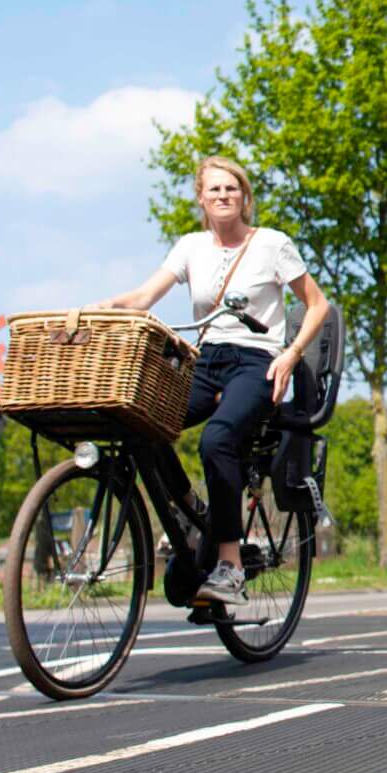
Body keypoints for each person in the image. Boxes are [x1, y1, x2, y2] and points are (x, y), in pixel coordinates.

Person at [95, 156, 331, 609]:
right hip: (207, 360)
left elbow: (316, 305)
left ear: (244, 198)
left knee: (217, 439)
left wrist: (291, 353)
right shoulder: (190, 248)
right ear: (201, 198)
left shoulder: (273, 245)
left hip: (256, 362)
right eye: (215, 190)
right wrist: (105, 306)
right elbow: (145, 297)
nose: (224, 196)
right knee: (143, 419)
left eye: (232, 189)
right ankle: (189, 510)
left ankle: (230, 568)